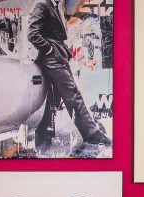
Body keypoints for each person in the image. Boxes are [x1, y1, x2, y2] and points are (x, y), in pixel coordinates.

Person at [27, 0, 111, 149]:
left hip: (58, 56)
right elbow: (32, 34)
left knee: (54, 98)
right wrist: (49, 50)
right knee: (72, 94)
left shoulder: (54, 6)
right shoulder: (42, 4)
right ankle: (91, 133)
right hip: (52, 58)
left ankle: (44, 138)